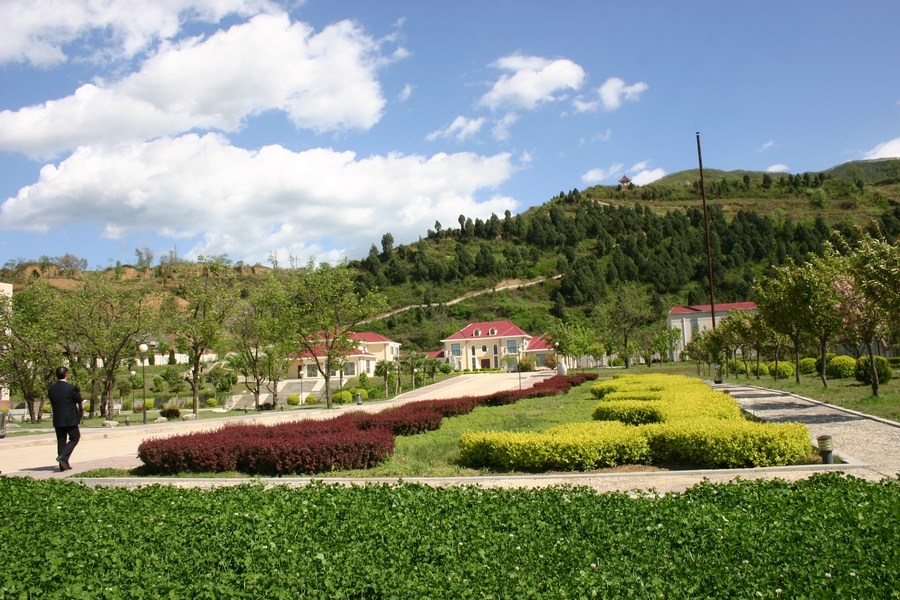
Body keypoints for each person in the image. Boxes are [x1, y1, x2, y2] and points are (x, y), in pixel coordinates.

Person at [47, 366, 83, 471]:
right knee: (75, 437)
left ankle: (63, 465)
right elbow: (78, 400)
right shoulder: (70, 388)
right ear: (66, 374)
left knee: (61, 440)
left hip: (58, 418)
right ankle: (63, 457)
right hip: (70, 418)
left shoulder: (51, 389)